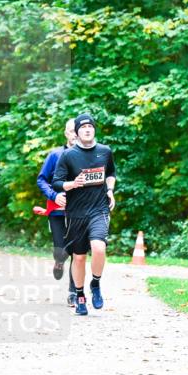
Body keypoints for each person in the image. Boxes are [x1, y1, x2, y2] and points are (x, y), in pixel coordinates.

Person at [51, 114, 116, 316]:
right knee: (78, 258)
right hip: (76, 213)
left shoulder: (105, 152)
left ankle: (95, 283)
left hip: (99, 209)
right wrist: (71, 184)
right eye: (83, 127)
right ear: (77, 132)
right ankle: (79, 295)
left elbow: (111, 174)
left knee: (99, 248)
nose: (87, 129)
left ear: (94, 130)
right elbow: (57, 182)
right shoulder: (69, 155)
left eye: (90, 126)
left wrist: (110, 190)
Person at [37, 118, 78, 306]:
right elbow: (41, 180)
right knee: (61, 249)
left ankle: (73, 292)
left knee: (76, 251)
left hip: (79, 211)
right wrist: (54, 196)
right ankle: (59, 261)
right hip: (57, 211)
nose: (75, 134)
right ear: (66, 133)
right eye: (71, 131)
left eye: (77, 130)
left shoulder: (88, 156)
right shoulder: (55, 155)